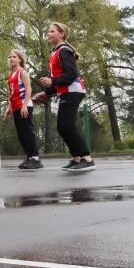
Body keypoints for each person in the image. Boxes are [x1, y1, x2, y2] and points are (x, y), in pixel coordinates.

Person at [34, 22, 94, 171]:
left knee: (66, 125)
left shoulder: (64, 51)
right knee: (62, 127)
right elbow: (61, 78)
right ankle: (77, 158)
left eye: (52, 31)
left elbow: (72, 75)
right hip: (66, 91)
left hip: (73, 91)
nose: (48, 33)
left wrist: (52, 81)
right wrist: (46, 92)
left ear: (62, 34)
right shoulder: (55, 52)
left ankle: (87, 158)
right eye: (48, 31)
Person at [5, 50, 41, 169]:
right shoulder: (10, 74)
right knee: (21, 135)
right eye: (10, 57)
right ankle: (29, 156)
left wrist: (25, 105)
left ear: (20, 59)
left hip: (24, 106)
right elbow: (12, 93)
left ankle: (35, 158)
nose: (11, 59)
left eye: (14, 57)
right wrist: (9, 108)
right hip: (15, 106)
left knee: (27, 133)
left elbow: (28, 89)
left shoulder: (22, 72)